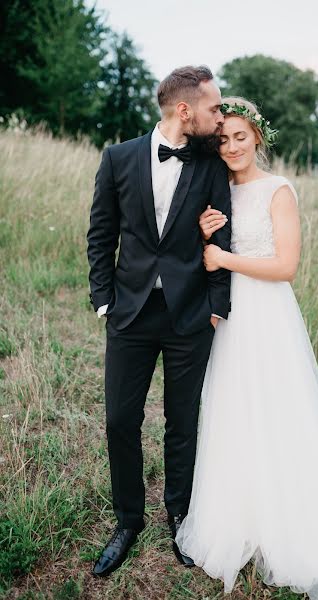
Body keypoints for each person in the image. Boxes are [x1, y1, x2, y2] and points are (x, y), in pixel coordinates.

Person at [175, 97, 318, 599]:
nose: (232, 146)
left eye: (240, 136)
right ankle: (239, 514)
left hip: (268, 315)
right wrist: (202, 240)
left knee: (276, 411)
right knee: (232, 410)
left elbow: (285, 266)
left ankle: (291, 517)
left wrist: (223, 257)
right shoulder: (215, 189)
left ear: (258, 136)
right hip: (227, 316)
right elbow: (201, 257)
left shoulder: (278, 190)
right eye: (223, 138)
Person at [86, 66, 232, 577]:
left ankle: (181, 516)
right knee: (120, 420)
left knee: (182, 422)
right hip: (129, 311)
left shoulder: (212, 162)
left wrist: (218, 304)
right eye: (214, 107)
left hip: (190, 313)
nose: (221, 115)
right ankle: (128, 520)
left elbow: (224, 237)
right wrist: (103, 298)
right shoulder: (119, 157)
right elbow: (101, 232)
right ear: (185, 110)